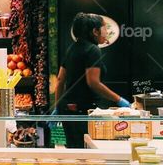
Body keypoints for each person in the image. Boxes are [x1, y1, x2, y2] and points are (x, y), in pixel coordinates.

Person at [55, 12, 131, 149]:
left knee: (74, 150)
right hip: (82, 112)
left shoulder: (72, 48)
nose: (106, 32)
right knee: (86, 153)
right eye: (104, 28)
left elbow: (60, 79)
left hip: (67, 109)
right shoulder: (93, 50)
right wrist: (119, 99)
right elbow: (93, 82)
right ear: (95, 31)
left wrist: (57, 106)